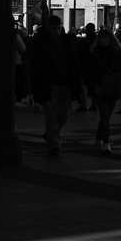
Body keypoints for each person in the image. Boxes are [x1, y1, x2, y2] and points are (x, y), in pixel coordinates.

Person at [30, 15, 83, 156]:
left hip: (66, 83)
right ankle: (53, 143)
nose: (57, 31)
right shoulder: (40, 43)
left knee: (64, 115)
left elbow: (74, 63)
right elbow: (35, 67)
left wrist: (77, 85)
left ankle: (51, 134)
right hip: (49, 84)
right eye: (54, 29)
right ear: (48, 28)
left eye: (59, 28)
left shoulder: (67, 41)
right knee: (51, 116)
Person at [84, 28, 121, 154]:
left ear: (111, 40)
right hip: (99, 90)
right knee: (105, 115)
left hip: (114, 89)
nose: (103, 40)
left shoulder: (118, 54)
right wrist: (94, 85)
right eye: (101, 38)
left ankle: (98, 139)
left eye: (105, 38)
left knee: (106, 116)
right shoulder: (93, 55)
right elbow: (86, 73)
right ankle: (106, 142)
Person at [76, 22, 96, 111]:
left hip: (84, 64)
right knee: (94, 84)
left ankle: (83, 104)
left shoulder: (83, 41)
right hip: (95, 65)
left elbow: (78, 52)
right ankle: (94, 104)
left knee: (83, 85)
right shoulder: (98, 40)